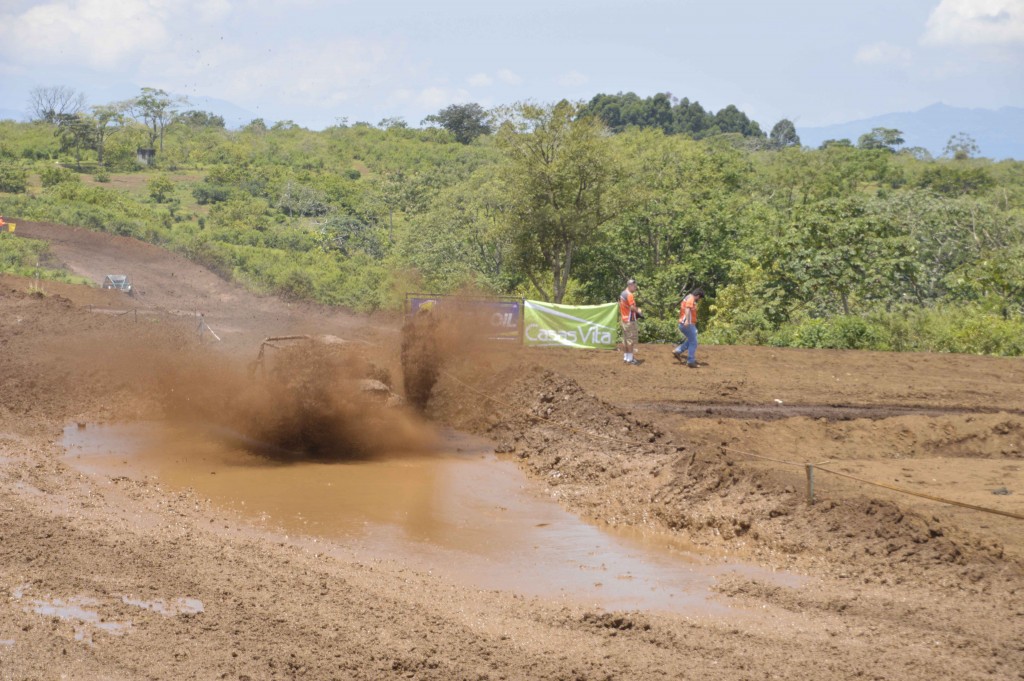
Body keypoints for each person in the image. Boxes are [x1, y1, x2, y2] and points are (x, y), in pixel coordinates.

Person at [672, 288, 704, 368]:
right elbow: (687, 309)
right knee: (694, 342)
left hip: (687, 323)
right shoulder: (691, 298)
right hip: (687, 324)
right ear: (698, 296)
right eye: (699, 298)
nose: (699, 300)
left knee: (692, 340)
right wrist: (687, 321)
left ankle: (678, 351)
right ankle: (690, 361)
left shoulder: (688, 297)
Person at [619, 278, 641, 365]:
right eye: (634, 286)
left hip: (624, 319)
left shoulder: (622, 293)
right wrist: (638, 310)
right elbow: (632, 307)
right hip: (629, 320)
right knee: (630, 340)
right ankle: (630, 359)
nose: (635, 288)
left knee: (625, 339)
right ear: (630, 285)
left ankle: (626, 357)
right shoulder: (629, 295)